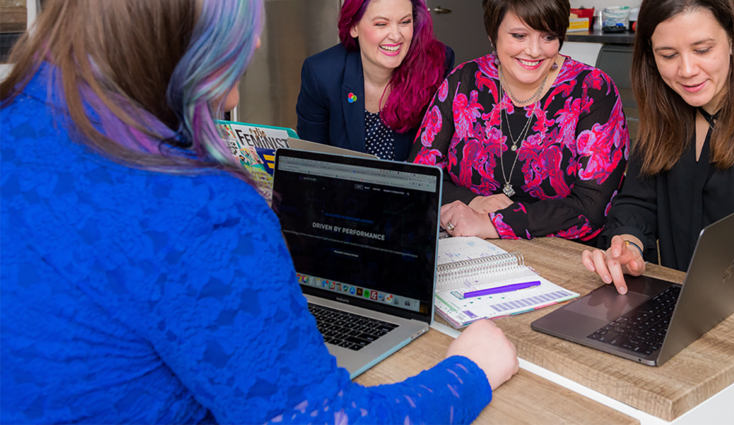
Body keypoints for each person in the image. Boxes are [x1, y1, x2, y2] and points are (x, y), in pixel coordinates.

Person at [0, 0, 520, 423]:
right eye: (241, 24)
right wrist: (469, 369)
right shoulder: (202, 207)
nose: (252, 43)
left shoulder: (17, 114)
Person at [409, 0, 629, 242]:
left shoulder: (593, 90)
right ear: (493, 35)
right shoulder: (463, 80)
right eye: (519, 35)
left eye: (548, 37)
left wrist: (492, 224)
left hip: (561, 257)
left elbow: (592, 208)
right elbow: (420, 174)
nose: (534, 51)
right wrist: (475, 202)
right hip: (467, 246)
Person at [581, 0, 734, 294]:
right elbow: (637, 201)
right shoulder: (666, 114)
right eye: (668, 55)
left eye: (702, 50)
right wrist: (627, 246)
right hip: (682, 305)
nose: (686, 70)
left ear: (733, 40)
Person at [295, 0, 455, 161]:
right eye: (381, 24)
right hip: (342, 185)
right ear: (354, 27)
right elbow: (311, 160)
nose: (395, 36)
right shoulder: (321, 73)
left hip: (410, 184)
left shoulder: (437, 62)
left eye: (405, 22)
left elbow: (439, 154)